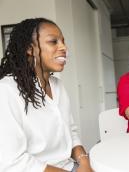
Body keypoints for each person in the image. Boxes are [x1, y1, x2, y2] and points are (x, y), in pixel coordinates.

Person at [0, 18, 93, 172]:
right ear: (30, 49)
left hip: (70, 166)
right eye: (53, 42)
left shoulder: (58, 86)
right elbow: (12, 162)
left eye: (63, 41)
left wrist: (84, 163)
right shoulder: (6, 90)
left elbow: (71, 131)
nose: (63, 47)